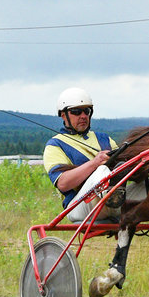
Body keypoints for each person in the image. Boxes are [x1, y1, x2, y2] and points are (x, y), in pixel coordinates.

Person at [43, 87, 118, 223]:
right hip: (78, 206)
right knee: (102, 169)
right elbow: (63, 183)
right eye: (76, 111)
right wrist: (95, 163)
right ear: (63, 115)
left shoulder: (104, 139)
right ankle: (112, 197)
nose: (83, 116)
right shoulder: (55, 145)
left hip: (115, 201)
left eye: (86, 111)